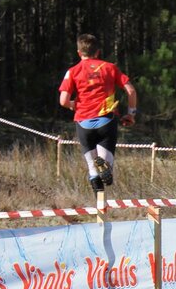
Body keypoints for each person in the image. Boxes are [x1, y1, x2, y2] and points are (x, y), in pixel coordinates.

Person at [58, 34, 138, 192]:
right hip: (106, 120)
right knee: (106, 168)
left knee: (92, 170)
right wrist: (131, 113)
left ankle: (99, 208)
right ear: (98, 51)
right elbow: (131, 90)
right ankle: (104, 166)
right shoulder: (110, 68)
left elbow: (63, 101)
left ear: (79, 52)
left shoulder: (72, 71)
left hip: (83, 122)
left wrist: (74, 104)